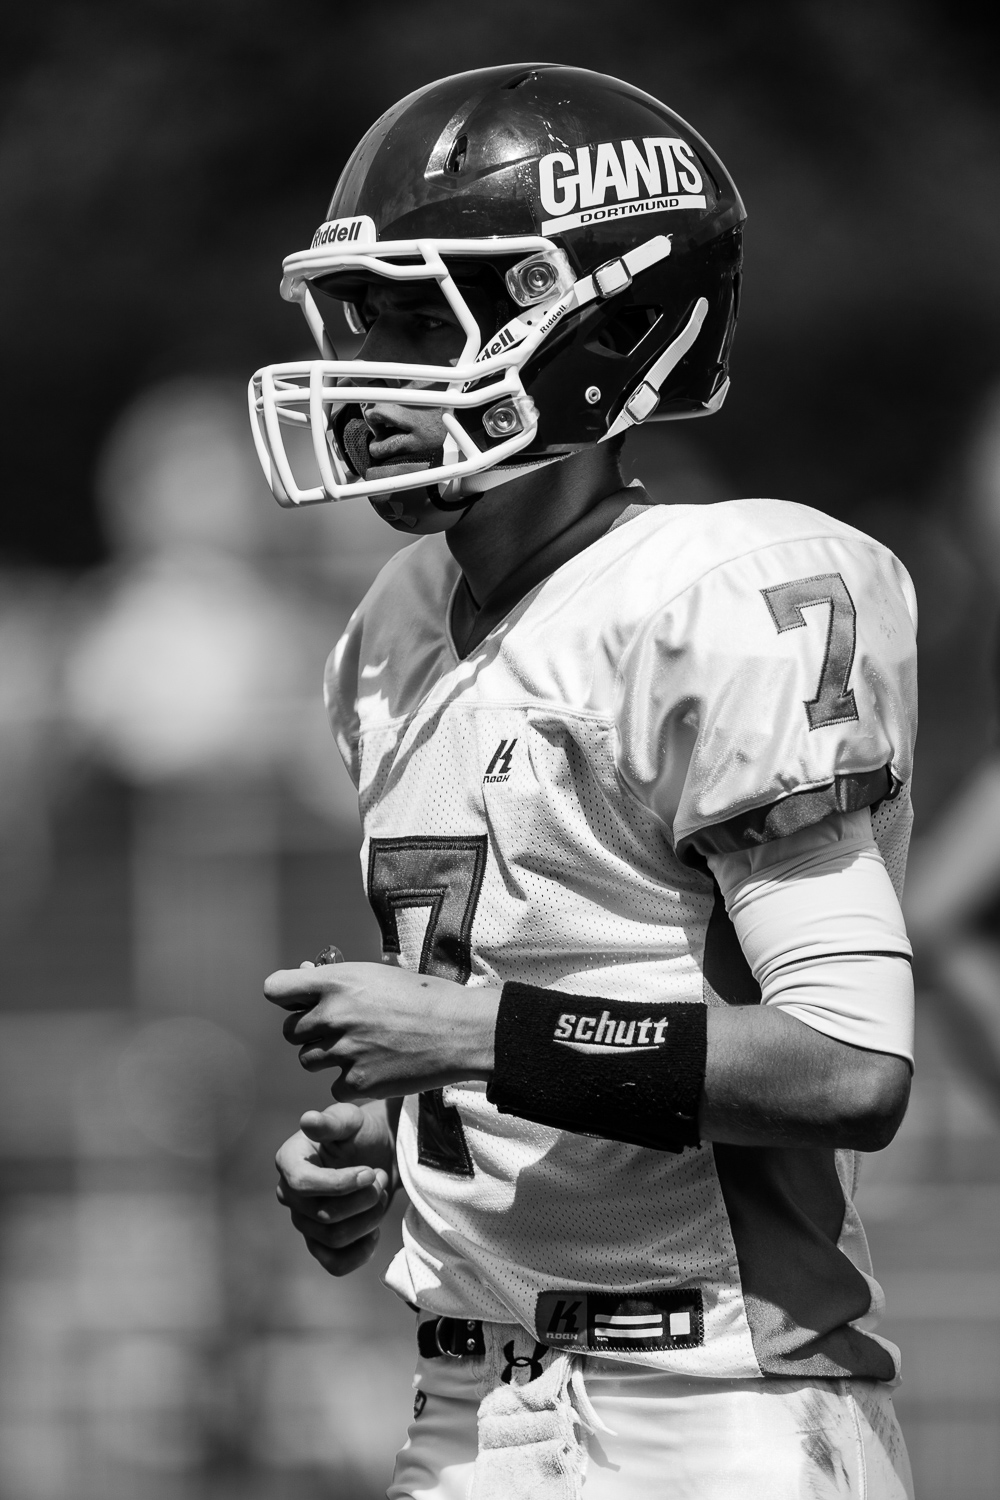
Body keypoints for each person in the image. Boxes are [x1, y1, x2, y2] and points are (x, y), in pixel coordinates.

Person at [251, 64, 918, 1499]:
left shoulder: (722, 594)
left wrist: (474, 1037)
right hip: (465, 1403)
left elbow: (848, 1070)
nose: (375, 364)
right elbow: (520, 995)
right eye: (366, 314)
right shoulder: (392, 626)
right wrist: (392, 1140)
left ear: (598, 328)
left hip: (717, 1403)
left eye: (429, 315)